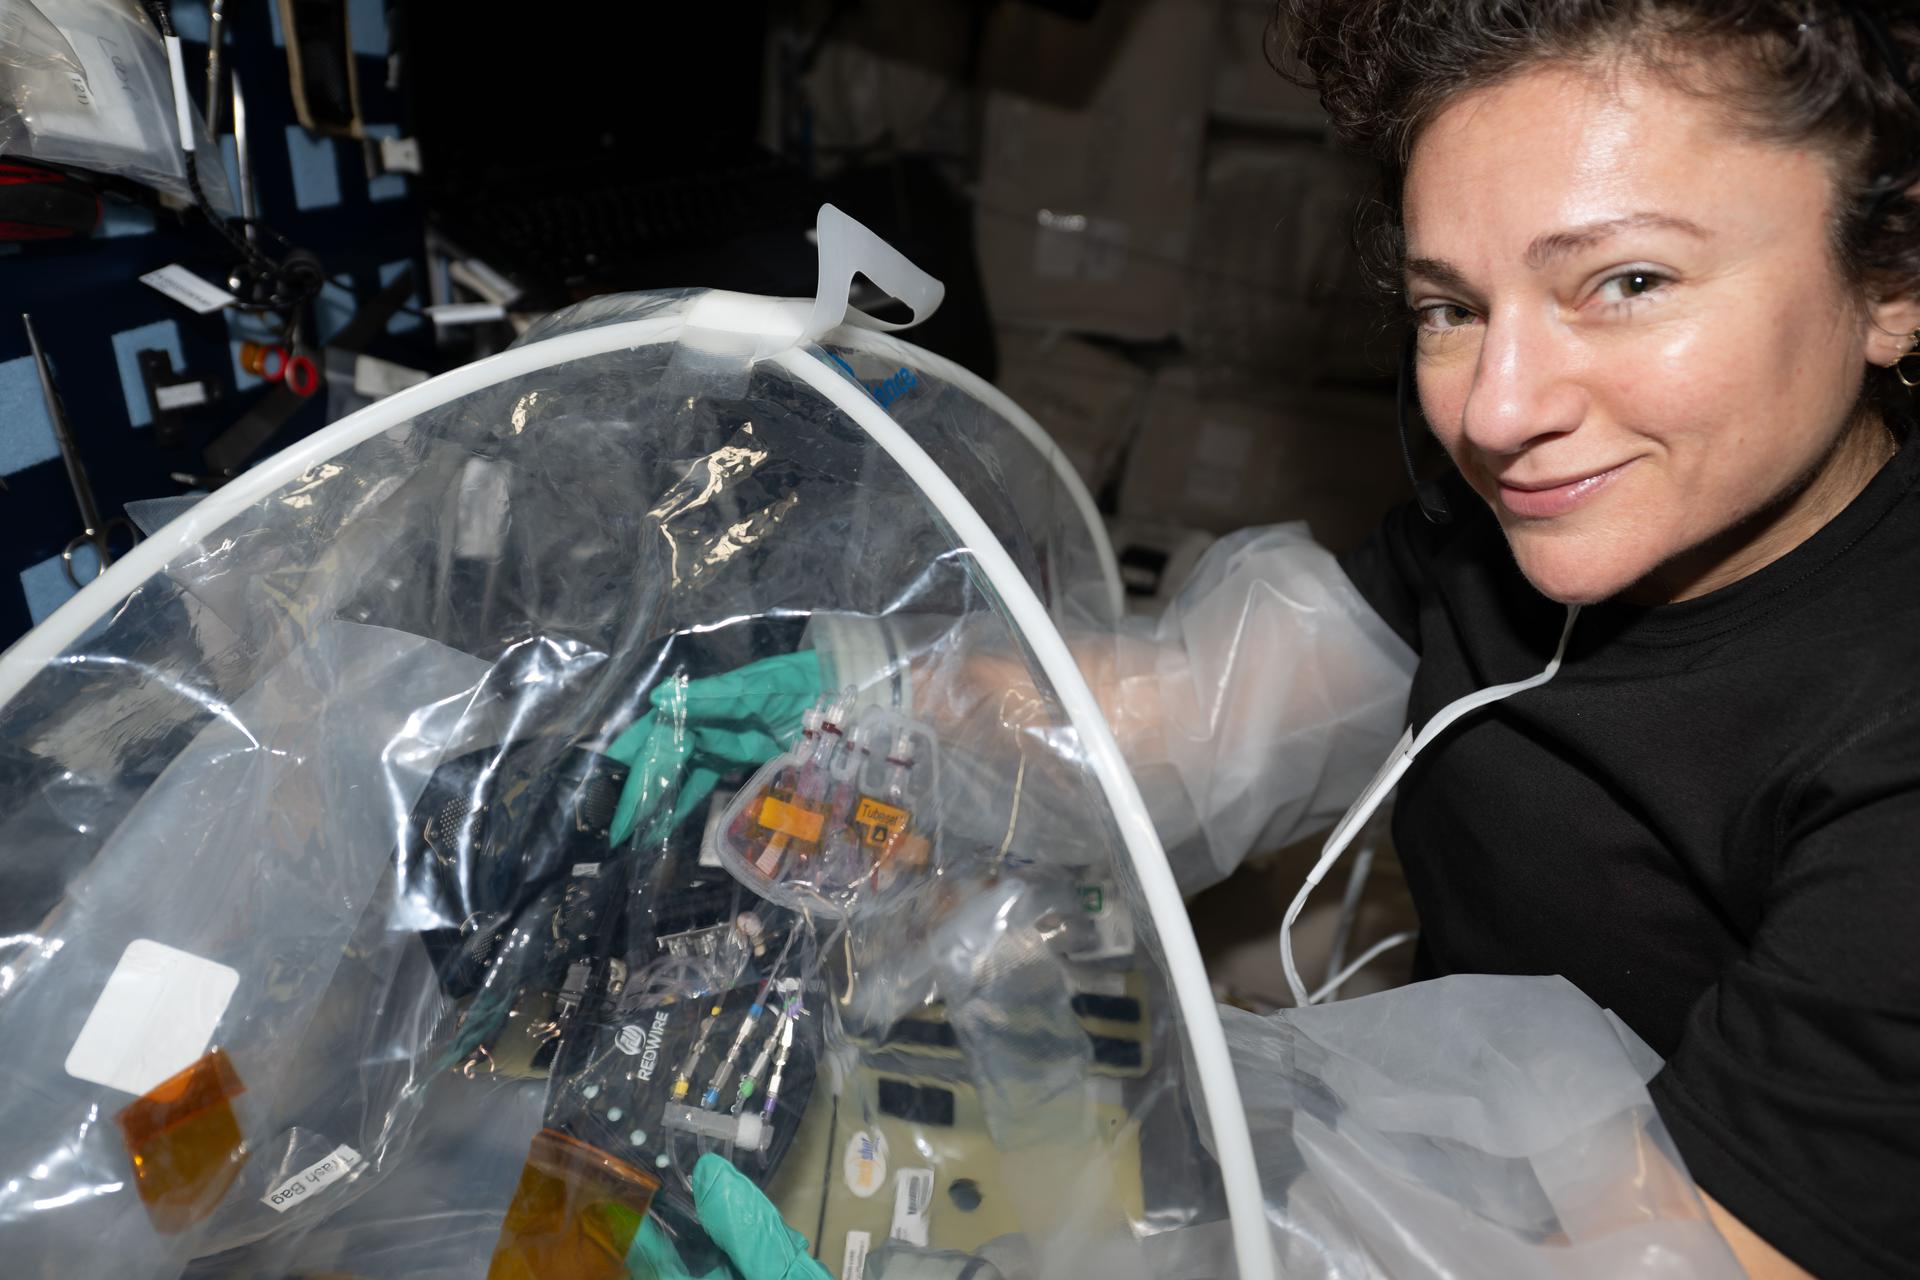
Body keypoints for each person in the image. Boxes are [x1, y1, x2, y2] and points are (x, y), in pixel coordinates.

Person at [644, 2, 1920, 1276]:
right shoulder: (1528, 531)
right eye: (1450, 308)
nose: (1499, 406)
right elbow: (1187, 721)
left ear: (1894, 283)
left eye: (1627, 282)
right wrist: (870, 697)